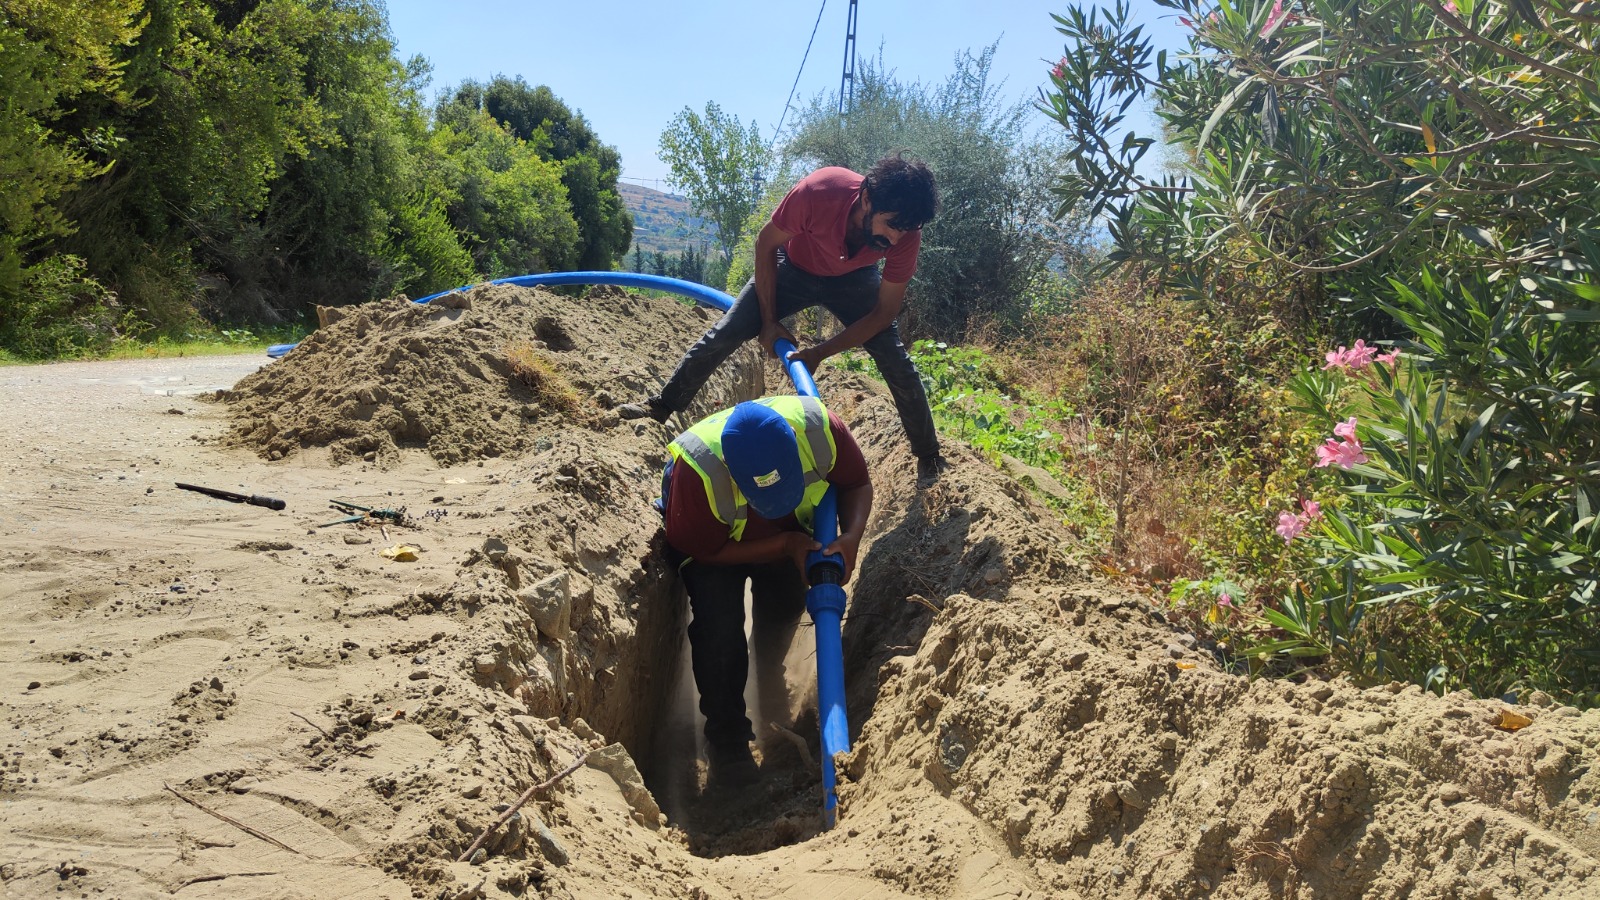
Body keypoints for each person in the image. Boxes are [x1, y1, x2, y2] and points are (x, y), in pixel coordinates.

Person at [624, 152, 947, 486]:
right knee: (728, 331)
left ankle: (930, 456)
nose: (894, 239)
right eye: (891, 225)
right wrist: (768, 322)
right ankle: (662, 405)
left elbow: (884, 313)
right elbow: (765, 243)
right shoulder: (820, 191)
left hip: (854, 279)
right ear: (867, 198)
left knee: (896, 360)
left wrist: (820, 352)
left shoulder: (906, 234)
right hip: (793, 268)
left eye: (904, 230)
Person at [660, 396, 873, 787]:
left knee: (785, 604)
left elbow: (856, 482)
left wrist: (851, 536)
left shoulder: (820, 431)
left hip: (787, 536)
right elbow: (706, 551)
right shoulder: (699, 476)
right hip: (712, 543)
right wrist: (785, 544)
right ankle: (727, 742)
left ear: (794, 443)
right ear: (733, 472)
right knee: (720, 630)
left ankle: (769, 686)